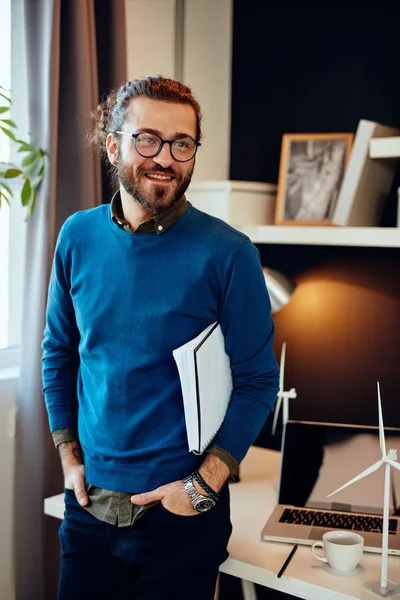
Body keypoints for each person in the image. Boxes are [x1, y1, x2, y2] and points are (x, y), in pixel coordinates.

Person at [42, 75, 280, 600]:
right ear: (113, 144)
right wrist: (68, 455)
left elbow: (260, 380)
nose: (165, 158)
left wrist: (202, 487)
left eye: (182, 143)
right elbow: (58, 352)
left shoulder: (229, 253)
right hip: (88, 511)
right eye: (147, 139)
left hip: (181, 521)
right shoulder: (76, 237)